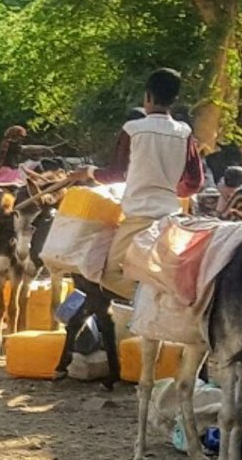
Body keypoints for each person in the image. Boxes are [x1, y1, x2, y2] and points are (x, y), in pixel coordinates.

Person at [65, 68, 204, 381]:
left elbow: (115, 173)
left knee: (107, 274)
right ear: (174, 99)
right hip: (171, 217)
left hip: (139, 217)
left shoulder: (133, 129)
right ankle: (162, 294)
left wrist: (88, 173)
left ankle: (151, 300)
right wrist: (169, 186)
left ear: (148, 97)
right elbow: (194, 183)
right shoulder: (185, 133)